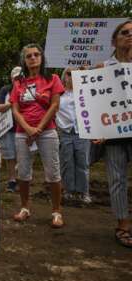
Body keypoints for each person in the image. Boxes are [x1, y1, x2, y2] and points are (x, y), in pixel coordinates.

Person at [10, 43, 65, 228]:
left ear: (42, 58)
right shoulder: (18, 83)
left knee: (53, 172)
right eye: (29, 56)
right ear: (24, 61)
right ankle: (25, 208)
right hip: (22, 133)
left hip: (47, 131)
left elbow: (54, 105)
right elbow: (15, 110)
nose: (33, 58)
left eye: (36, 55)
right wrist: (27, 128)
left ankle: (56, 211)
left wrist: (38, 129)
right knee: (23, 172)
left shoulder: (53, 79)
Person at [95, 20, 132, 248]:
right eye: (125, 33)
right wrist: (97, 131)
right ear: (114, 40)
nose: (129, 36)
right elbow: (95, 104)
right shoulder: (102, 69)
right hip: (113, 135)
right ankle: (123, 226)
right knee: (117, 180)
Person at [56, 67, 91, 205]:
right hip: (65, 133)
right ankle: (68, 191)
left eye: (75, 74)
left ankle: (84, 192)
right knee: (67, 162)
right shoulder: (58, 94)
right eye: (69, 74)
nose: (71, 76)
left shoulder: (85, 92)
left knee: (83, 162)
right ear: (64, 76)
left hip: (82, 132)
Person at [0, 66, 21, 192]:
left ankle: (22, 179)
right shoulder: (5, 90)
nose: (18, 80)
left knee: (23, 155)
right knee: (10, 156)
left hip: (24, 128)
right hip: (8, 128)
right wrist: (13, 103)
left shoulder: (29, 89)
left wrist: (9, 105)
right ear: (11, 78)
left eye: (20, 77)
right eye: (15, 77)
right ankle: (12, 180)